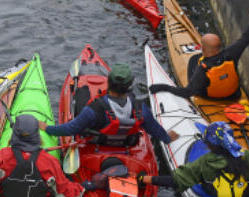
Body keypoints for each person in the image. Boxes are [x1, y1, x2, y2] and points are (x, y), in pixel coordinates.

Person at [43, 64, 180, 152]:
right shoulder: (141, 109)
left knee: (82, 92)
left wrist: (46, 128)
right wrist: (168, 139)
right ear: (129, 87)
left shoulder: (92, 110)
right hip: (126, 145)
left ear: (108, 83)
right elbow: (156, 131)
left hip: (97, 145)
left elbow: (70, 129)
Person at [150, 13, 249, 100]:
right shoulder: (231, 53)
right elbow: (247, 35)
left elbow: (186, 93)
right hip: (233, 95)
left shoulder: (203, 69)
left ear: (203, 48)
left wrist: (163, 87)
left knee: (193, 59)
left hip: (211, 97)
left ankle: (193, 83)